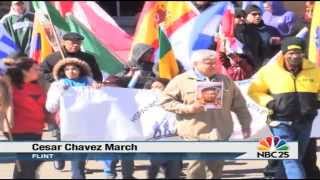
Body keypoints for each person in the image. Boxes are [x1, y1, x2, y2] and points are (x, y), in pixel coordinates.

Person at [161, 49, 252, 179]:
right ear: (195, 64)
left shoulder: (225, 81)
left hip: (220, 133)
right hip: (194, 133)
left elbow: (240, 105)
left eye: (215, 63)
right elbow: (165, 101)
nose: (213, 66)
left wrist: (246, 124)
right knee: (196, 169)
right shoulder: (181, 80)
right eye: (208, 63)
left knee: (216, 170)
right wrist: (189, 108)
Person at [248, 37, 320, 179]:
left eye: (298, 52)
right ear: (284, 53)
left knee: (296, 157)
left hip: (306, 121)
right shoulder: (269, 71)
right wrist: (270, 103)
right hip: (281, 122)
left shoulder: (314, 70)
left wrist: (315, 102)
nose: (295, 56)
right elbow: (254, 91)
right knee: (290, 158)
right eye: (291, 52)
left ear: (303, 54)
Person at [45, 57, 103, 179]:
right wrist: (60, 93)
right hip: (66, 123)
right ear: (63, 71)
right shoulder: (58, 84)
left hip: (85, 123)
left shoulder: (88, 81)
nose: (71, 71)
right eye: (67, 69)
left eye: (74, 69)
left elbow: (100, 101)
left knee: (81, 153)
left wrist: (98, 89)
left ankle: (78, 173)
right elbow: (50, 107)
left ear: (80, 70)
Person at [2, 58, 46, 179]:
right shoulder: (9, 85)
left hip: (36, 130)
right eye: (35, 69)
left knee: (26, 164)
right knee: (27, 164)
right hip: (18, 131)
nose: (39, 71)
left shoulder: (38, 85)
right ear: (25, 71)